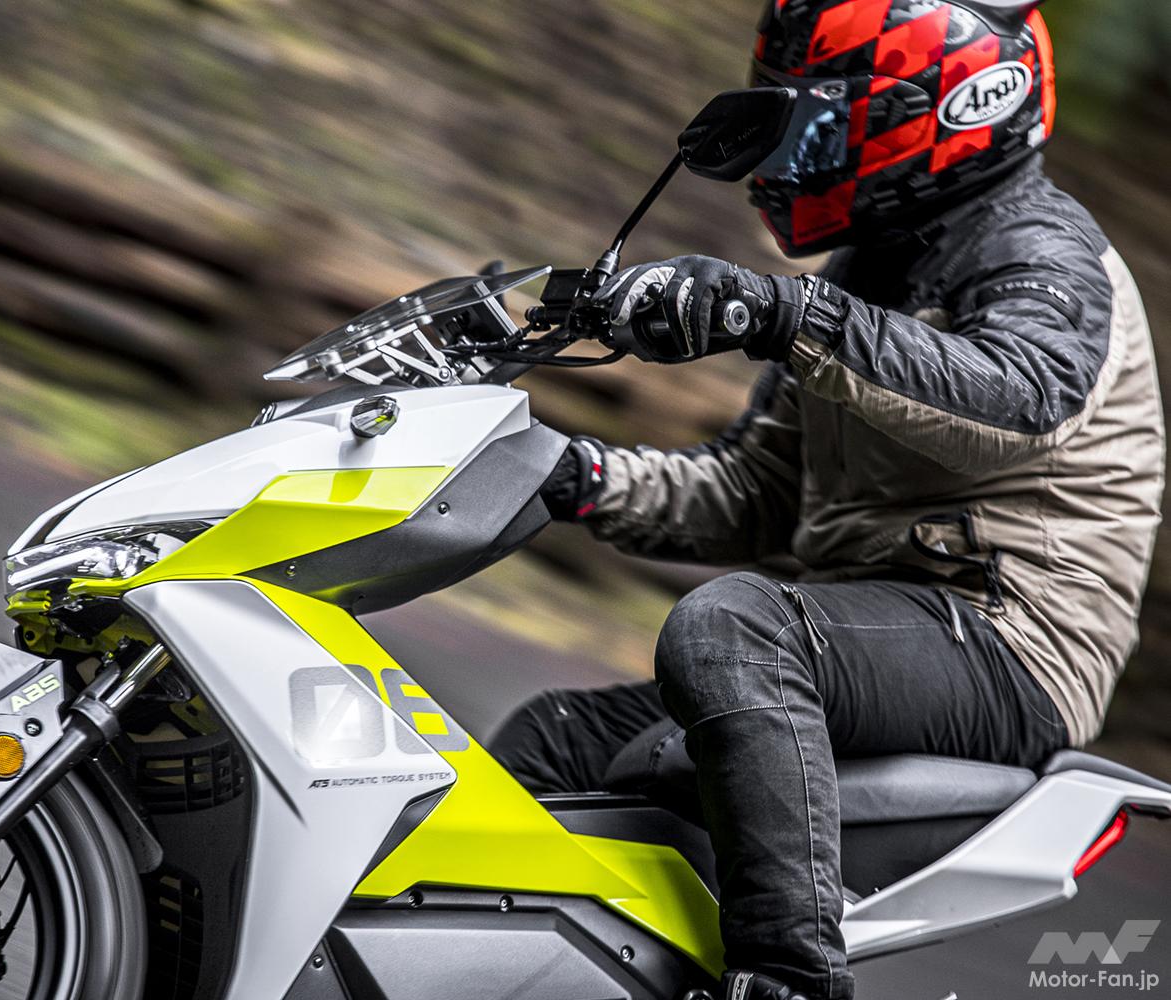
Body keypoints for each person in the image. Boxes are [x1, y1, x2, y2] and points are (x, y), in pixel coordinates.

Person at [493, 2, 1165, 999]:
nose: (795, 153)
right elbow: (754, 494)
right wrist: (570, 475)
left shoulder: (1040, 251)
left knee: (731, 627)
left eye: (821, 120)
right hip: (872, 623)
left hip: (1013, 636)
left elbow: (1018, 401)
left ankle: (791, 978)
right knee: (555, 740)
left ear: (944, 110)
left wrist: (780, 311)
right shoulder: (873, 264)